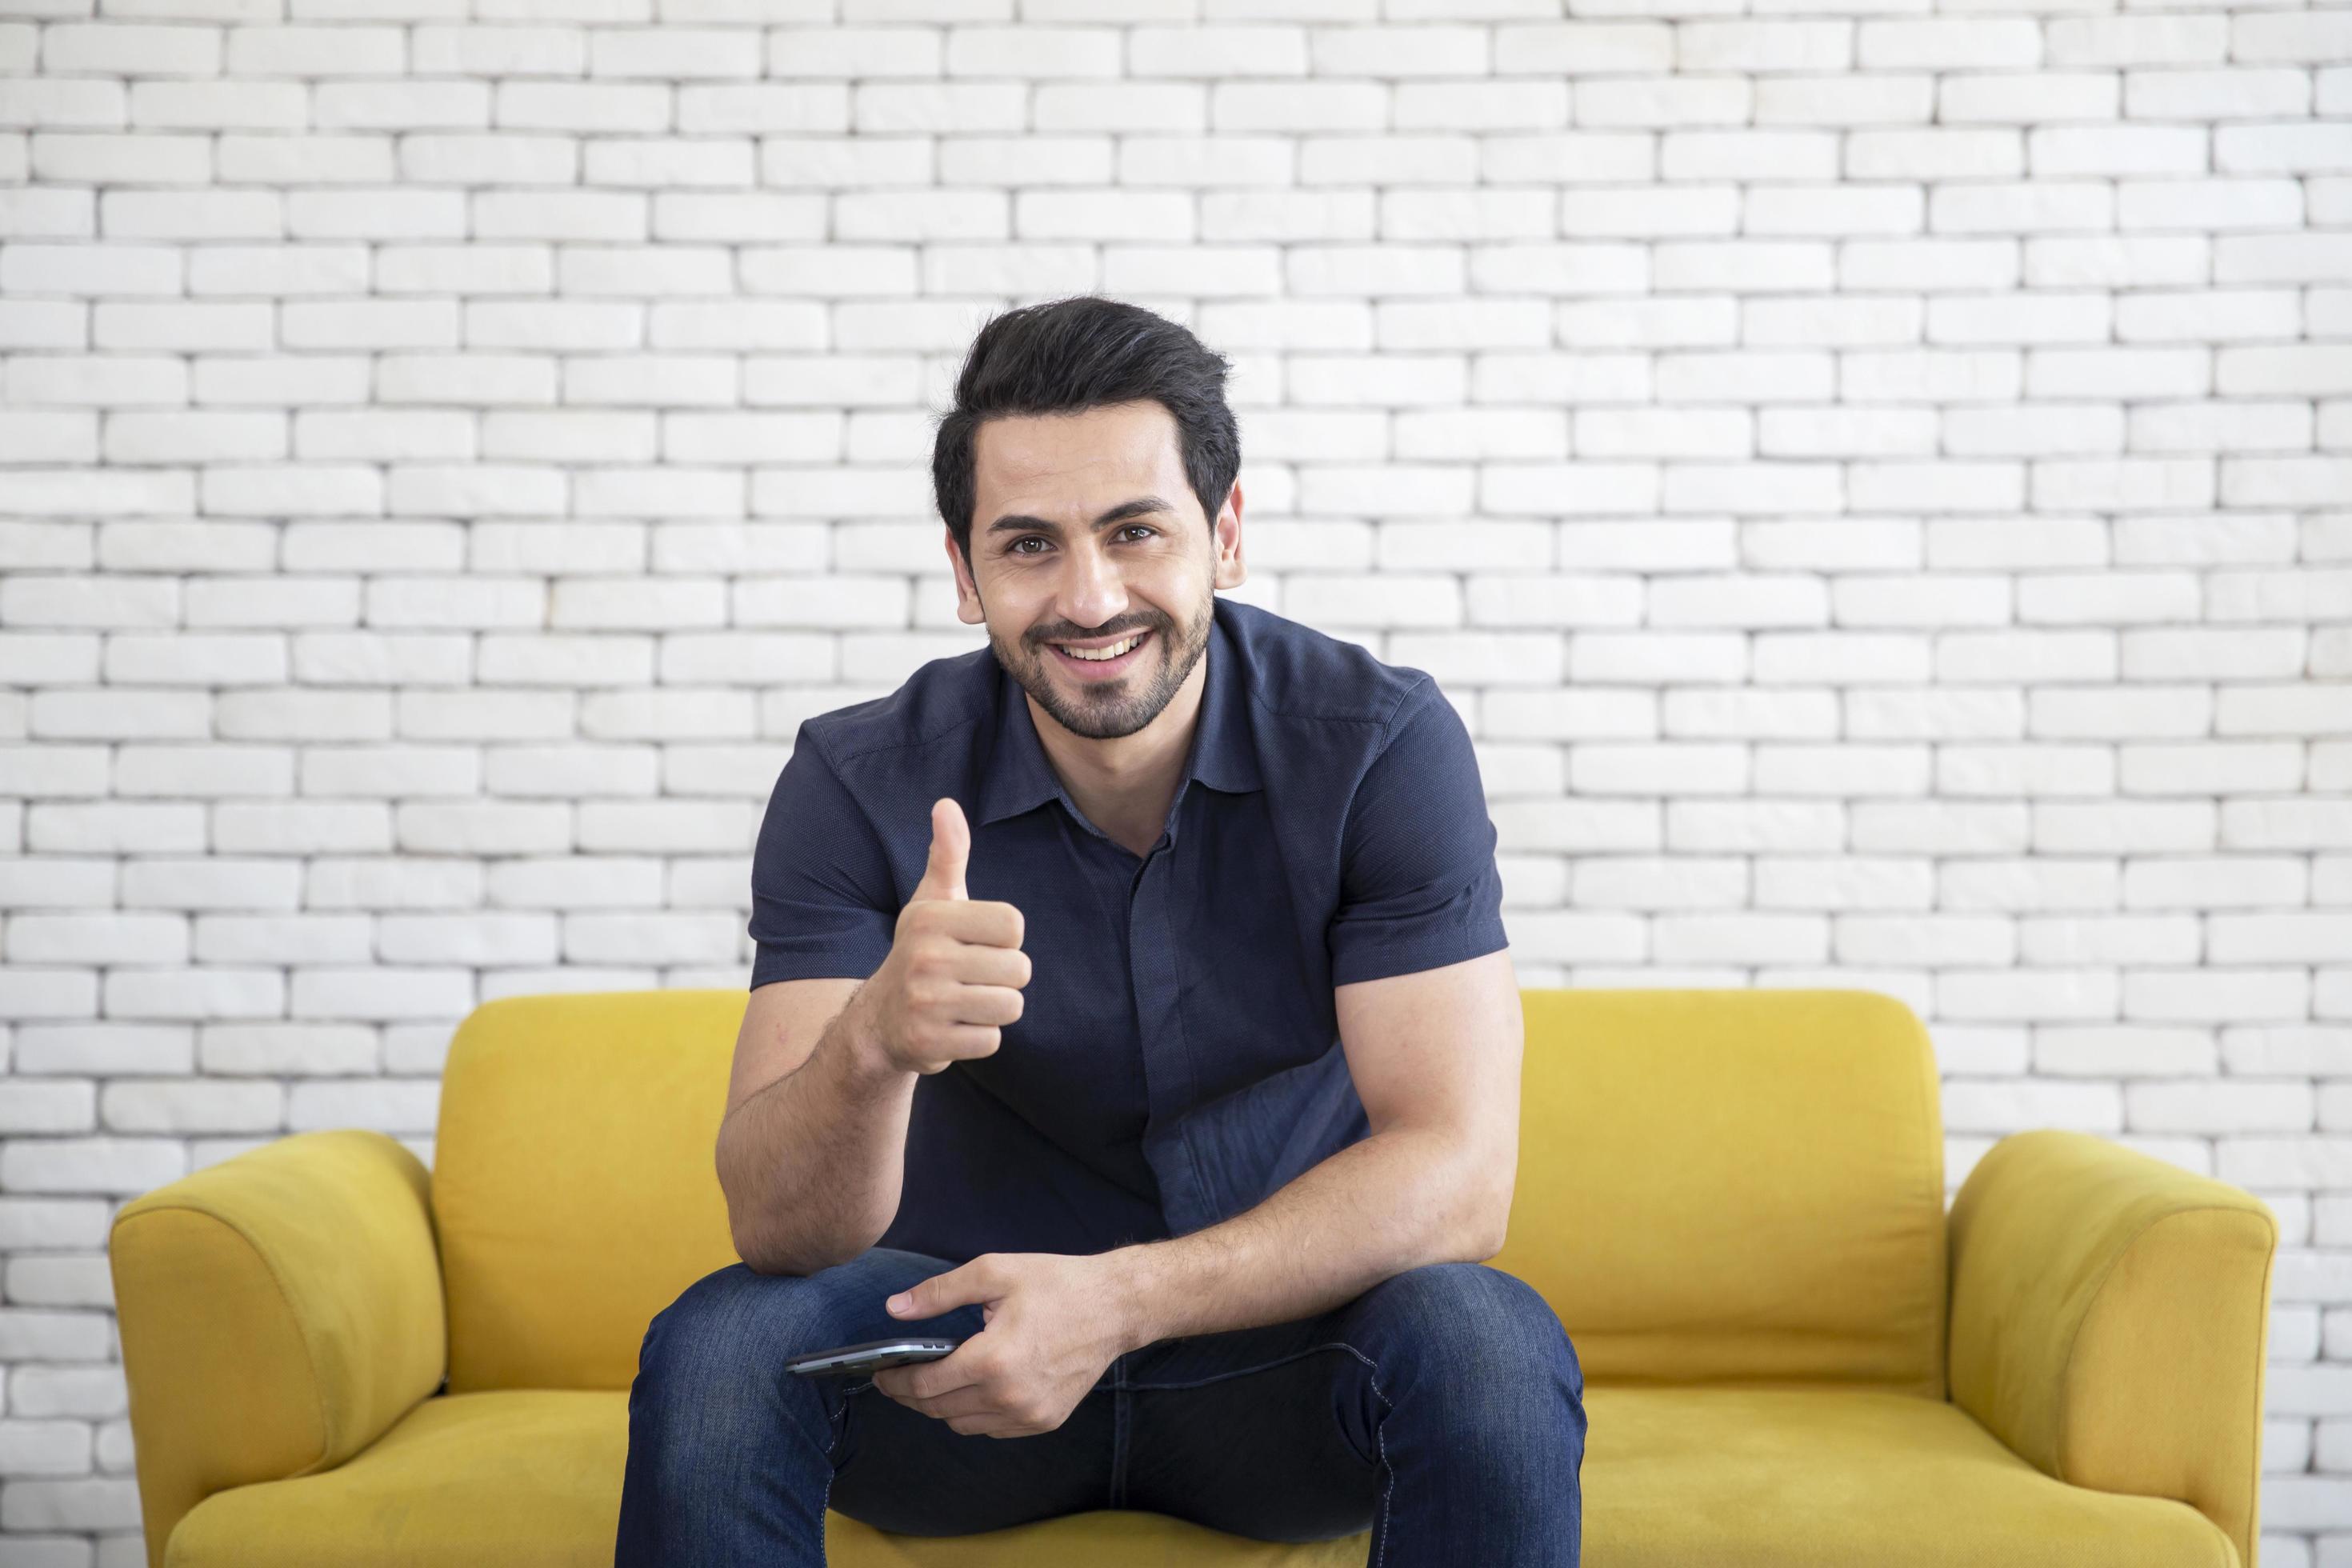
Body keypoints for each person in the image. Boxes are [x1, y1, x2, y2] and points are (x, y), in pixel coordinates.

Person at [612, 294, 1585, 1566]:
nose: (1089, 596)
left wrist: (1116, 1301)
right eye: (1028, 546)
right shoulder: (857, 781)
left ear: (1223, 537)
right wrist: (872, 1045)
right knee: (720, 1341)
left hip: (1279, 1373)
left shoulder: (1378, 749)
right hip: (955, 1376)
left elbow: (1460, 1176)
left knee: (1488, 1340)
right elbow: (782, 1235)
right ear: (965, 573)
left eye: (1136, 532)